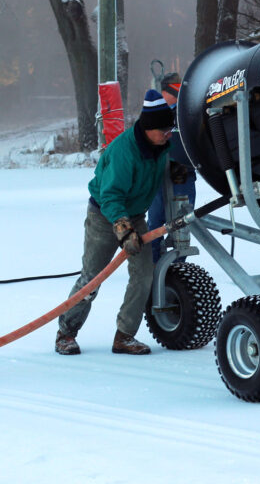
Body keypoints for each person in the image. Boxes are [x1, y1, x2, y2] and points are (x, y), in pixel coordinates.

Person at [55, 89, 174, 356]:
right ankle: (66, 332)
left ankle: (124, 336)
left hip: (135, 215)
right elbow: (110, 196)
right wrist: (122, 229)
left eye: (170, 129)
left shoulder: (161, 146)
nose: (168, 134)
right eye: (164, 130)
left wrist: (172, 168)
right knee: (92, 279)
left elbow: (162, 163)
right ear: (148, 128)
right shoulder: (124, 152)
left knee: (144, 275)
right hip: (104, 215)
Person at [147, 77, 198, 263]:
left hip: (182, 178)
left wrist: (184, 164)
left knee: (181, 223)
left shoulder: (188, 113)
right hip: (158, 177)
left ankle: (179, 269)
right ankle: (152, 266)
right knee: (155, 222)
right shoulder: (154, 115)